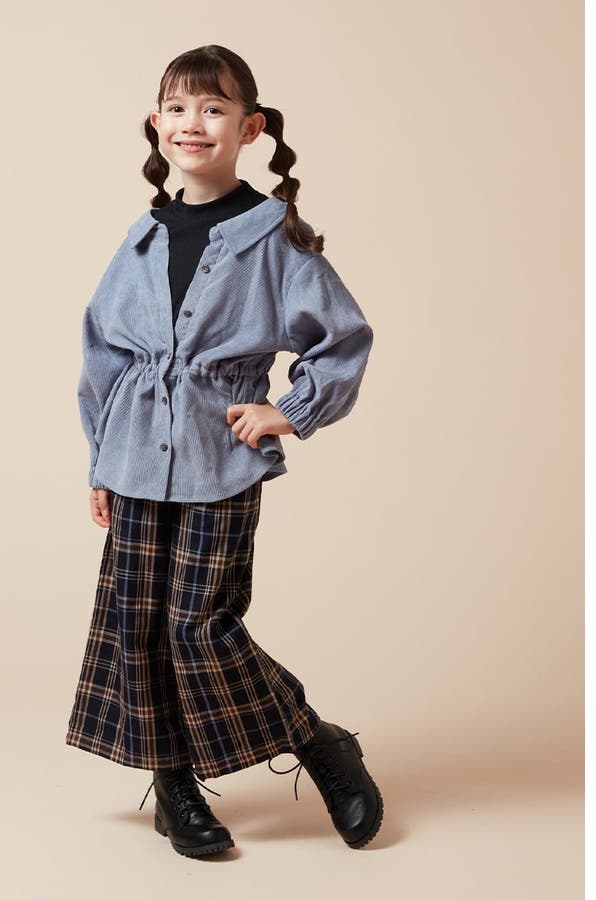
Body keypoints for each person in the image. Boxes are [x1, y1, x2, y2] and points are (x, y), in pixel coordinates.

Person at [65, 44, 383, 858]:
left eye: (213, 108)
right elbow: (103, 355)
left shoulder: (275, 237)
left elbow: (342, 339)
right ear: (156, 124)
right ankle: (174, 785)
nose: (193, 123)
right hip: (134, 462)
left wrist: (286, 412)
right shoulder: (140, 239)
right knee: (137, 624)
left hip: (220, 462)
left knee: (200, 625)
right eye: (177, 107)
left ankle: (316, 740)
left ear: (250, 128)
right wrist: (99, 461)